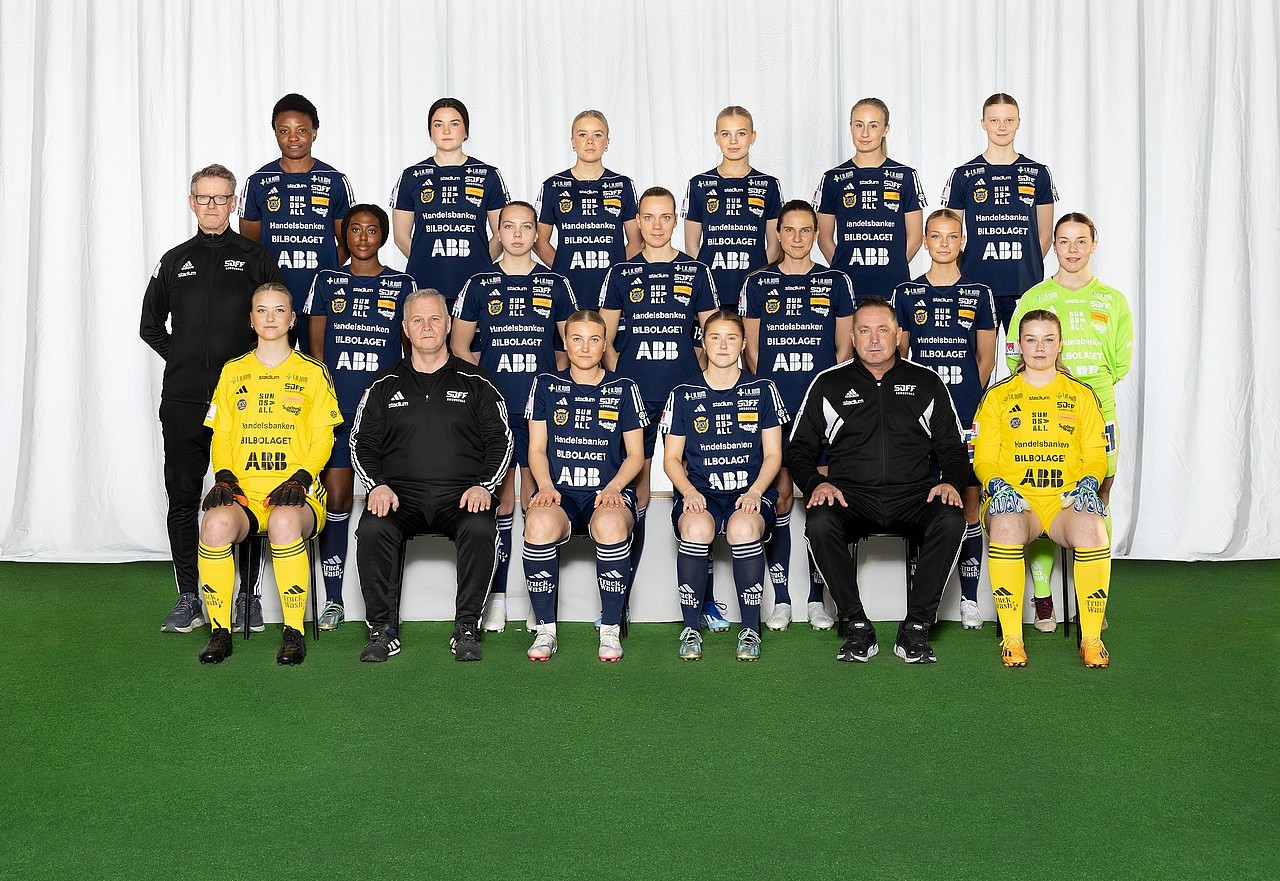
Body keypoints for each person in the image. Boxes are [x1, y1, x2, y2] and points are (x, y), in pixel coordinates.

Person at [141, 163, 284, 634]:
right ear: (191, 202)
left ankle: (247, 597)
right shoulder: (174, 260)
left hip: (243, 402)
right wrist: (183, 358)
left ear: (233, 202)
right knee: (183, 497)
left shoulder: (256, 258)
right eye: (203, 198)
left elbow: (275, 324)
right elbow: (149, 326)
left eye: (221, 198)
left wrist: (245, 373)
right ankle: (189, 596)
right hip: (183, 400)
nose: (212, 206)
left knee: (247, 496)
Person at [787, 298, 969, 663]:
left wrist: (951, 481)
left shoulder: (927, 382)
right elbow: (798, 450)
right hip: (851, 497)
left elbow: (953, 447)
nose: (874, 340)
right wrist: (815, 484)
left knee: (951, 519)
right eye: (865, 331)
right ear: (852, 337)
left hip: (912, 496)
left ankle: (915, 627)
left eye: (883, 330)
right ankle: (857, 625)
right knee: (819, 522)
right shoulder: (828, 383)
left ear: (898, 336)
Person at [350, 290, 513, 663]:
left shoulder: (477, 382)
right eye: (418, 320)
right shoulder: (383, 384)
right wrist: (376, 485)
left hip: (460, 495)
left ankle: (466, 629)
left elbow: (501, 440)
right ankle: (382, 631)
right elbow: (361, 442)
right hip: (399, 496)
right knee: (372, 529)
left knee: (481, 527)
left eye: (435, 319)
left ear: (449, 324)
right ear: (406, 329)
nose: (427, 327)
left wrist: (484, 486)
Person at [195, 283, 342, 666]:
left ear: (292, 319)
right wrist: (224, 476)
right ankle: (220, 632)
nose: (270, 318)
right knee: (214, 525)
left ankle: (293, 632)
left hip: (297, 494)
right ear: (251, 319)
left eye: (279, 310)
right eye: (262, 310)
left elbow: (323, 437)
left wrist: (302, 477)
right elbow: (222, 435)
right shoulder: (233, 372)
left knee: (283, 521)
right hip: (244, 494)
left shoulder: (313, 372)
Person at [452, 201, 578, 632]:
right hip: (497, 412)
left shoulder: (556, 283)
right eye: (509, 226)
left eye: (527, 227)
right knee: (502, 502)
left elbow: (568, 348)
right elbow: (460, 347)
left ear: (536, 233)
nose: (519, 234)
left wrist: (549, 390)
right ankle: (499, 597)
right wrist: (486, 389)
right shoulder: (479, 282)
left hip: (541, 414)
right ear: (499, 232)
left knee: (537, 500)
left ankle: (537, 602)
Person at [1007, 212, 1132, 630]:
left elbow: (1120, 365)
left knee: (1097, 495)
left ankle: (1090, 601)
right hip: (1043, 414)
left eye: (1081, 241)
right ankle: (1043, 599)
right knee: (1043, 493)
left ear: (1094, 244)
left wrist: (1085, 391)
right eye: (1064, 241)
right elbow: (1013, 356)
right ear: (1053, 246)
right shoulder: (1035, 296)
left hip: (1099, 409)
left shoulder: (1112, 300)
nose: (1073, 249)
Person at [600, 187, 717, 616]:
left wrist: (694, 378)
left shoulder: (696, 271)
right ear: (637, 221)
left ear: (675, 220)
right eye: (648, 217)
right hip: (637, 396)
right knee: (640, 489)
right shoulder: (621, 272)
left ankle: (704, 600)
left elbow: (713, 338)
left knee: (697, 487)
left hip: (686, 399)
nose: (656, 225)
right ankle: (622, 597)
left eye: (665, 217)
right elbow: (605, 341)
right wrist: (626, 379)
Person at [973, 310, 1112, 668]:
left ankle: (1091, 639)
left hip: (1064, 501)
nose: (1039, 348)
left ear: (1060, 344)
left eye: (1048, 340)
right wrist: (997, 485)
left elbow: (1096, 456)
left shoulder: (1082, 394)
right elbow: (983, 458)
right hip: (1019, 500)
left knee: (1093, 527)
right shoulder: (998, 396)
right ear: (1018, 345)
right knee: (1006, 525)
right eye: (1031, 340)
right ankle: (1012, 639)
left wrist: (1089, 482)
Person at [741, 200, 854, 631]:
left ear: (816, 234)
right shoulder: (758, 283)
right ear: (778, 234)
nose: (797, 238)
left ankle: (816, 599)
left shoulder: (835, 281)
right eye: (789, 230)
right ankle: (783, 598)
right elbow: (752, 352)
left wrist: (823, 398)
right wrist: (770, 399)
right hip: (775, 410)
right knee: (783, 497)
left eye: (806, 230)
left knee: (821, 497)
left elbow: (843, 349)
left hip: (820, 412)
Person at [304, 204, 415, 631]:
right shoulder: (326, 280)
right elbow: (316, 354)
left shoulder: (402, 284)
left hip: (385, 414)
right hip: (339, 411)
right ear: (344, 235)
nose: (363, 237)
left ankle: (385, 607)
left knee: (387, 503)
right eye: (355, 229)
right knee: (337, 501)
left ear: (383, 236)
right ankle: (333, 599)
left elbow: (409, 354)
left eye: (372, 230)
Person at [892, 208, 997, 629]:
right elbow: (900, 358)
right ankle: (923, 602)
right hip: (919, 418)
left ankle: (969, 599)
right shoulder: (907, 293)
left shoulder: (979, 293)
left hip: (965, 414)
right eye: (935, 236)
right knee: (924, 503)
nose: (943, 244)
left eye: (952, 236)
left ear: (962, 241)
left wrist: (965, 397)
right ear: (926, 241)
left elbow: (986, 359)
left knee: (969, 502)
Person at [522, 311, 648, 661]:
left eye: (594, 340)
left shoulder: (624, 388)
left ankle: (610, 629)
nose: (585, 347)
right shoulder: (545, 385)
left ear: (605, 344)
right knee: (538, 522)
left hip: (606, 492)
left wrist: (615, 487)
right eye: (576, 339)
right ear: (565, 342)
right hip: (560, 491)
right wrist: (545, 486)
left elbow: (636, 455)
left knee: (610, 525)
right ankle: (545, 630)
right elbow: (536, 448)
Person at [663, 310, 788, 660]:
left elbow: (773, 454)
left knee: (743, 527)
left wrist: (755, 491)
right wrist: (689, 491)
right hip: (701, 493)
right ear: (703, 343)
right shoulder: (683, 393)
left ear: (743, 343)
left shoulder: (762, 389)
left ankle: (750, 629)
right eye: (715, 337)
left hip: (748, 492)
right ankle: (690, 628)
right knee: (696, 528)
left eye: (731, 338)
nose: (722, 345)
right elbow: (671, 459)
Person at [239, 93, 354, 354]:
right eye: (284, 131)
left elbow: (348, 242)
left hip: (322, 300)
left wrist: (326, 268)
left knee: (321, 367)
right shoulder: (258, 181)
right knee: (275, 368)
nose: (293, 137)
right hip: (275, 301)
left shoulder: (335, 180)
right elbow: (249, 247)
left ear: (314, 132)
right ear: (275, 134)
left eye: (301, 130)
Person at [941, 93, 1057, 333]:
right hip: (977, 285)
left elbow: (1045, 236)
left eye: (1008, 120)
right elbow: (950, 234)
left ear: (1018, 123)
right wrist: (967, 269)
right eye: (994, 120)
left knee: (1027, 353)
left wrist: (1025, 266)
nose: (1002, 127)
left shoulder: (1038, 173)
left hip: (1024, 286)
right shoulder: (964, 174)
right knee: (978, 355)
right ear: (983, 123)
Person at [391, 97, 510, 310]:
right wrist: (426, 260)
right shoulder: (411, 176)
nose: (446, 131)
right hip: (424, 286)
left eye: (454, 124)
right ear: (430, 131)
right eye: (438, 125)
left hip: (475, 285)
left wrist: (479, 262)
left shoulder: (489, 175)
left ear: (466, 131)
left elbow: (502, 234)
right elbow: (400, 237)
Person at [814, 98, 925, 301]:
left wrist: (894, 266)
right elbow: (824, 238)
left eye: (873, 126)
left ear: (885, 129)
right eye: (859, 125)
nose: (865, 133)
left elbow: (916, 237)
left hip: (893, 288)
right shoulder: (833, 178)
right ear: (851, 128)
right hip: (848, 291)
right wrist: (843, 273)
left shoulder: (906, 176)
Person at [535, 110, 640, 310]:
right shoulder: (553, 185)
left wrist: (616, 271)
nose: (590, 141)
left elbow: (636, 242)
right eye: (582, 134)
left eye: (597, 135)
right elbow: (539, 241)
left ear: (607, 142)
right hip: (568, 292)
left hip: (613, 292)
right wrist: (563, 269)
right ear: (572, 141)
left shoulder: (623, 185)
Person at [683, 105, 782, 308]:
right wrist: (705, 282)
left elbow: (774, 245)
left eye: (741, 133)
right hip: (712, 291)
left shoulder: (769, 185)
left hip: (754, 290)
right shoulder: (699, 184)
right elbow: (692, 245)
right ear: (716, 137)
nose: (733, 141)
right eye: (726, 134)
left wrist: (757, 279)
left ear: (753, 137)